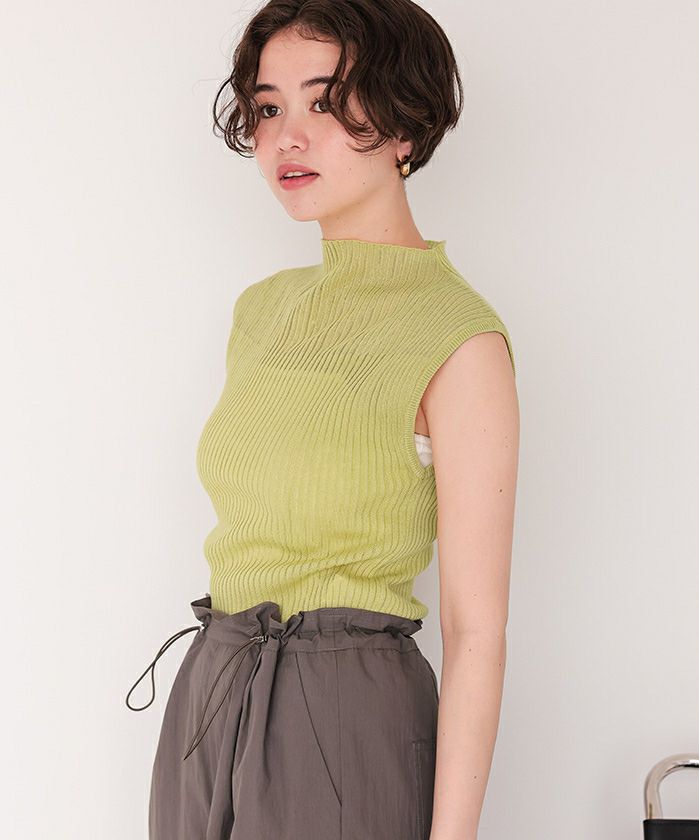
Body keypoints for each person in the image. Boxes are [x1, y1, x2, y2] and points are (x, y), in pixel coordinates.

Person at [124, 1, 520, 838]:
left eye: (326, 101)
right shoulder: (261, 311)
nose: (287, 138)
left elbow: (475, 631)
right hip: (211, 693)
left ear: (404, 124)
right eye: (269, 107)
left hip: (345, 716)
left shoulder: (458, 337)